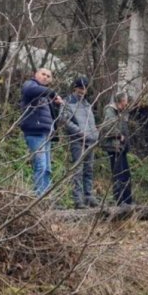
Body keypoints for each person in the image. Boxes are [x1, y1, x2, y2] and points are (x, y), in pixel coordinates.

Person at [20, 68, 64, 197]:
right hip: (34, 133)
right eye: (43, 74)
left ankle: (46, 197)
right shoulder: (30, 85)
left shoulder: (45, 95)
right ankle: (39, 197)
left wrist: (56, 104)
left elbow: (51, 116)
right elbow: (30, 91)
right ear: (36, 74)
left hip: (46, 134)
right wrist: (52, 93)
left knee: (47, 169)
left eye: (48, 76)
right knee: (40, 166)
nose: (45, 77)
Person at [62, 77, 99, 209]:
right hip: (77, 140)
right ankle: (78, 199)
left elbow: (91, 122)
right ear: (75, 88)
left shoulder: (87, 104)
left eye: (84, 88)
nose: (82, 91)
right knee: (78, 169)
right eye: (80, 88)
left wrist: (95, 134)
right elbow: (65, 121)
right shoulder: (67, 102)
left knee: (89, 169)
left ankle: (89, 196)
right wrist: (79, 132)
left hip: (91, 140)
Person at [101, 92, 134, 206]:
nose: (127, 103)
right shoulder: (110, 111)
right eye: (126, 101)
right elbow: (107, 127)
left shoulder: (122, 113)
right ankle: (119, 200)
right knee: (118, 174)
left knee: (126, 174)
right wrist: (119, 135)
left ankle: (127, 199)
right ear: (121, 101)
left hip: (122, 148)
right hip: (114, 147)